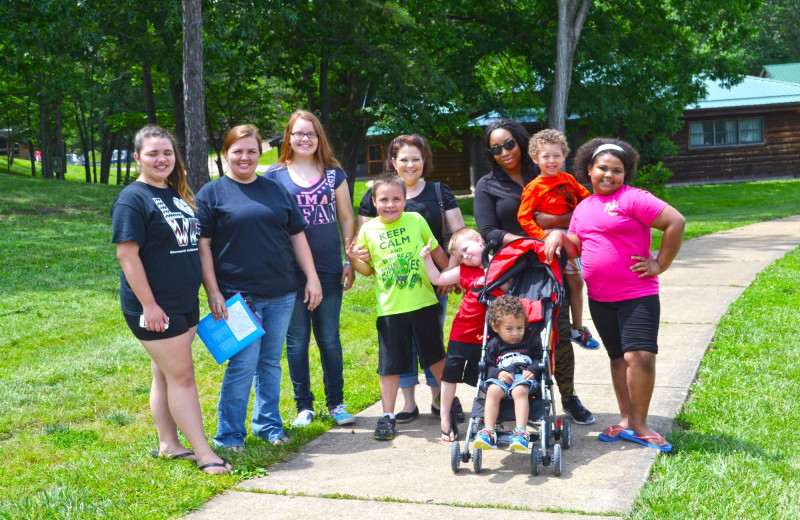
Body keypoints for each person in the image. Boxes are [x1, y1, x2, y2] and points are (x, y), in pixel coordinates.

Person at [544, 138, 685, 452]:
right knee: (618, 358)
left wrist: (659, 263)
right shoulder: (583, 208)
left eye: (617, 170)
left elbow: (675, 222)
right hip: (601, 298)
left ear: (625, 174)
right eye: (602, 168)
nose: (609, 175)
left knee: (641, 357)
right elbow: (578, 248)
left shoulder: (634, 199)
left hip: (637, 294)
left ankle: (641, 424)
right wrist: (557, 234)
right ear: (589, 170)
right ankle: (625, 420)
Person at [111, 125, 231, 474]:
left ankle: (168, 444)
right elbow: (127, 257)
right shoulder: (133, 198)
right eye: (152, 153)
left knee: (164, 375)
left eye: (167, 152)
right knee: (182, 376)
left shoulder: (175, 194)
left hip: (183, 301)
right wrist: (149, 306)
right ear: (137, 158)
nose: (161, 159)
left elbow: (194, 246)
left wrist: (210, 291)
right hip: (155, 306)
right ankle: (206, 454)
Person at [196, 124, 322, 449]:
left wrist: (311, 277)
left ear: (260, 153)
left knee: (269, 361)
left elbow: (297, 235)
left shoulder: (275, 190)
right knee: (242, 364)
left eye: (252, 151)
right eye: (238, 151)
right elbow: (203, 247)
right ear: (226, 154)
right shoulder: (211, 193)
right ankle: (229, 436)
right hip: (238, 297)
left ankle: (268, 427)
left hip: (281, 292)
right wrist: (212, 291)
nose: (245, 157)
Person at [473, 118, 595, 425]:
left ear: (521, 142)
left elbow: (582, 208)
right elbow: (489, 230)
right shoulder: (488, 186)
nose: (504, 152)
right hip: (512, 268)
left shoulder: (547, 169)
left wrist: (553, 226)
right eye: (495, 148)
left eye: (509, 143)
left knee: (558, 332)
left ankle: (567, 395)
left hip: (551, 263)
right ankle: (507, 397)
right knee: (515, 334)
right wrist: (529, 244)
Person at [357, 134, 465, 423]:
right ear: (393, 162)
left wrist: (449, 276)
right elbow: (366, 259)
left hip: (430, 291)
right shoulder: (372, 214)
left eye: (415, 158)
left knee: (433, 348)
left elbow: (455, 239)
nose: (410, 163)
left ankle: (442, 401)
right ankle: (400, 408)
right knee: (396, 355)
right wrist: (356, 257)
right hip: (392, 301)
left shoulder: (430, 202)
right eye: (403, 158)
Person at [265, 110, 356, 428]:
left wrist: (348, 259)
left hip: (330, 268)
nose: (305, 139)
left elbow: (346, 217)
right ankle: (304, 406)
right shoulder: (273, 176)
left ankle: (337, 403)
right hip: (290, 273)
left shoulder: (334, 174)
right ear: (288, 136)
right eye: (299, 133)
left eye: (311, 134)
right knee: (297, 339)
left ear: (320, 138)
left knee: (329, 338)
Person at [346, 173, 447, 441]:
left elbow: (436, 251)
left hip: (424, 302)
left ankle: (447, 404)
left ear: (405, 200)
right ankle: (387, 415)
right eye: (384, 200)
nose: (390, 205)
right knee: (389, 366)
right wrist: (353, 259)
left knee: (436, 357)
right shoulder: (368, 230)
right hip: (390, 310)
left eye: (396, 199)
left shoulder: (416, 220)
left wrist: (451, 274)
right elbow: (367, 271)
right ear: (374, 201)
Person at [517, 128, 600, 350]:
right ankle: (541, 332)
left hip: (571, 238)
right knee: (551, 287)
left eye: (556, 155)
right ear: (535, 159)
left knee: (577, 281)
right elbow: (524, 217)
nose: (552, 161)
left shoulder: (569, 180)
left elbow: (588, 200)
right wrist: (543, 237)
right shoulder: (534, 187)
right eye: (546, 156)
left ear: (564, 156)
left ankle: (578, 328)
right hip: (547, 242)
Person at [419, 226, 500, 442]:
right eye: (460, 256)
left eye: (465, 250)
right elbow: (437, 279)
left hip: (489, 336)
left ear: (478, 240)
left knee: (485, 377)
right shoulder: (464, 271)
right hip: (462, 332)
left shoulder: (500, 266)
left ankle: (483, 418)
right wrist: (427, 258)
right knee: (450, 376)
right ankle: (445, 416)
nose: (464, 257)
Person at [473, 295, 543, 452]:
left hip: (523, 378)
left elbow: (539, 360)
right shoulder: (494, 344)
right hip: (501, 379)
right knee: (492, 390)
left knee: (519, 390)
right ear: (496, 327)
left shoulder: (531, 340)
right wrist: (497, 373)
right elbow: (488, 367)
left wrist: (533, 369)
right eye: (509, 329)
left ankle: (520, 432)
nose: (515, 333)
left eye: (520, 328)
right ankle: (489, 431)